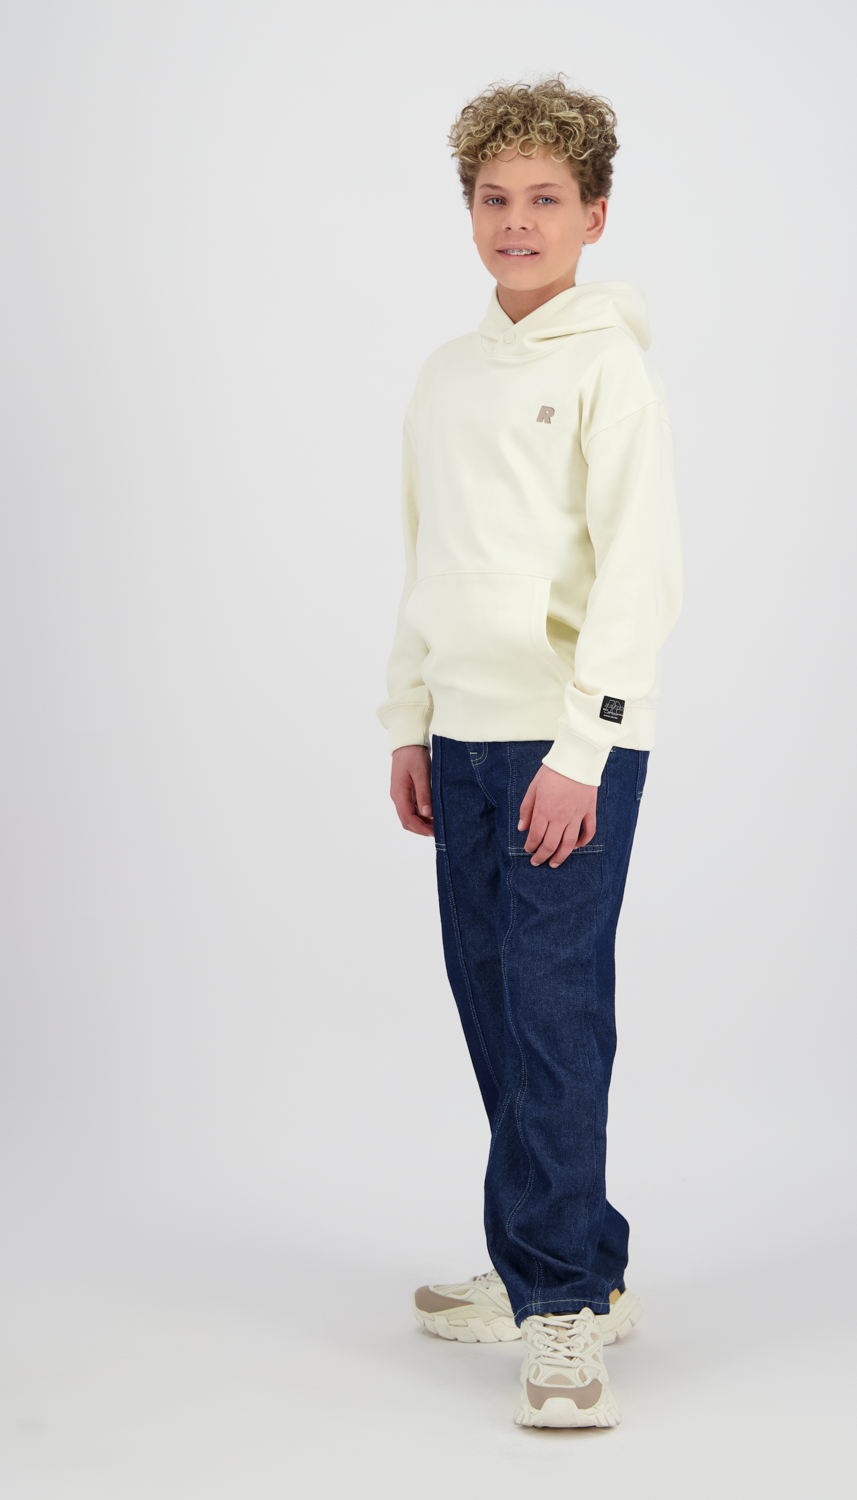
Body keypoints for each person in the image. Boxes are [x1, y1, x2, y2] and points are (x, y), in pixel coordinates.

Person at [377, 76, 682, 1429]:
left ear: (593, 216)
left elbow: (639, 574)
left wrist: (585, 748)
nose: (517, 220)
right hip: (464, 735)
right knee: (494, 1003)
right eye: (495, 197)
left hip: (568, 745)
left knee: (556, 1013)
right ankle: (564, 1261)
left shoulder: (611, 368)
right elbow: (424, 556)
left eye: (545, 198)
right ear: (470, 211)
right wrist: (409, 717)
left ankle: (561, 1312)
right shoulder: (446, 377)